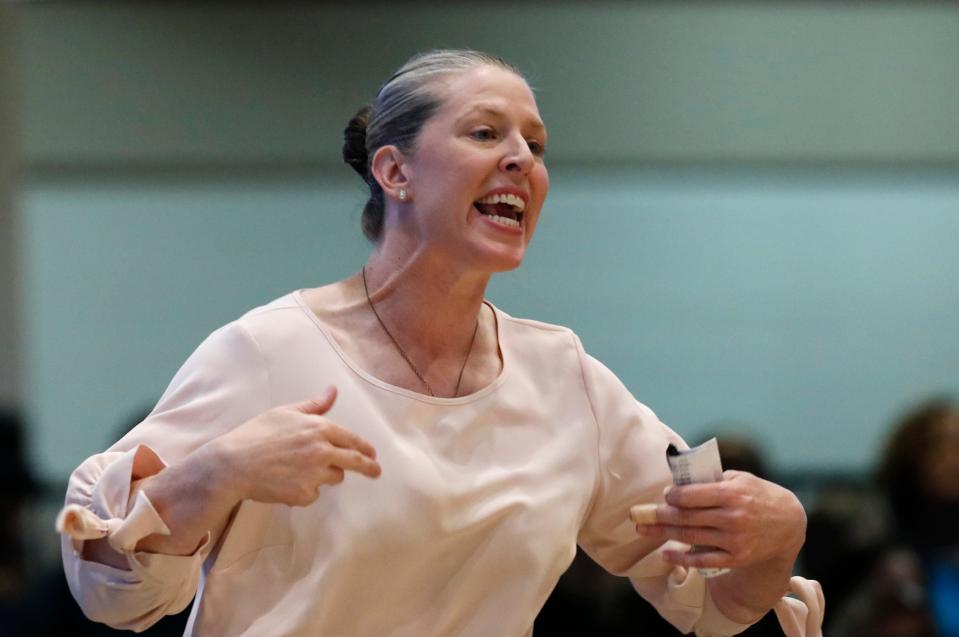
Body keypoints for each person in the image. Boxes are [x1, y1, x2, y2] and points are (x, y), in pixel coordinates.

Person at [57, 49, 822, 636]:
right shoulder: (269, 349)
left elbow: (713, 607)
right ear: (394, 171)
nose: (522, 159)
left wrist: (778, 532)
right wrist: (219, 469)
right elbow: (111, 591)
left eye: (536, 143)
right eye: (486, 133)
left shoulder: (565, 377)